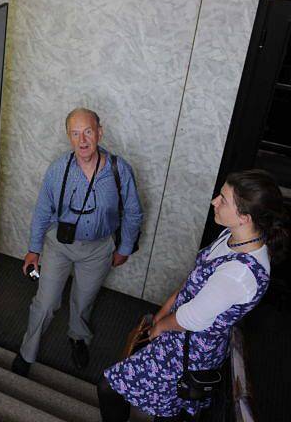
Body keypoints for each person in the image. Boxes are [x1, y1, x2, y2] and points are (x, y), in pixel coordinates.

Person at [98, 169, 289, 421]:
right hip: (177, 329)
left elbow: (192, 319)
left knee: (109, 387)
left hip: (188, 347)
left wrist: (159, 328)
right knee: (164, 406)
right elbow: (194, 278)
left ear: (244, 217)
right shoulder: (234, 236)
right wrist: (164, 311)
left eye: (223, 199)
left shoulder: (239, 273)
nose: (214, 202)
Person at [13, 108, 144, 377]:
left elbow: (133, 212)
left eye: (88, 132)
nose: (82, 140)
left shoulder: (119, 170)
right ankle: (28, 351)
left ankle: (78, 337)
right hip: (59, 245)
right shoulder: (58, 169)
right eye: (75, 133)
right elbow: (42, 211)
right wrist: (33, 250)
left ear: (99, 133)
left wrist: (125, 247)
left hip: (99, 249)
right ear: (68, 137)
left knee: (84, 299)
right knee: (46, 302)